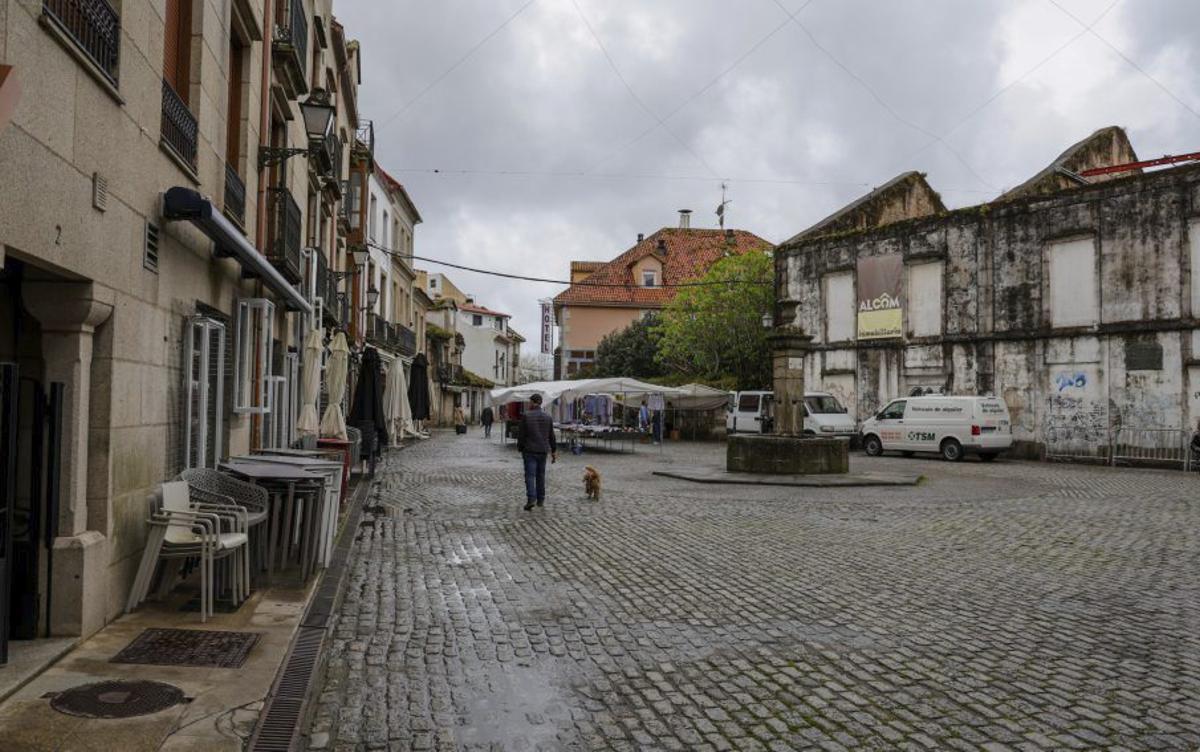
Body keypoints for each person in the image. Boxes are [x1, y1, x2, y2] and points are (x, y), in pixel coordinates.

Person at [517, 393, 557, 511]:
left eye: (530, 402)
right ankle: (541, 499)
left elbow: (521, 435)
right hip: (543, 450)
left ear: (532, 402)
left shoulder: (526, 416)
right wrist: (553, 451)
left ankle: (531, 499)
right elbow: (552, 436)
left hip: (529, 450)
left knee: (530, 475)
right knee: (541, 475)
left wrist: (520, 447)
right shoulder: (548, 417)